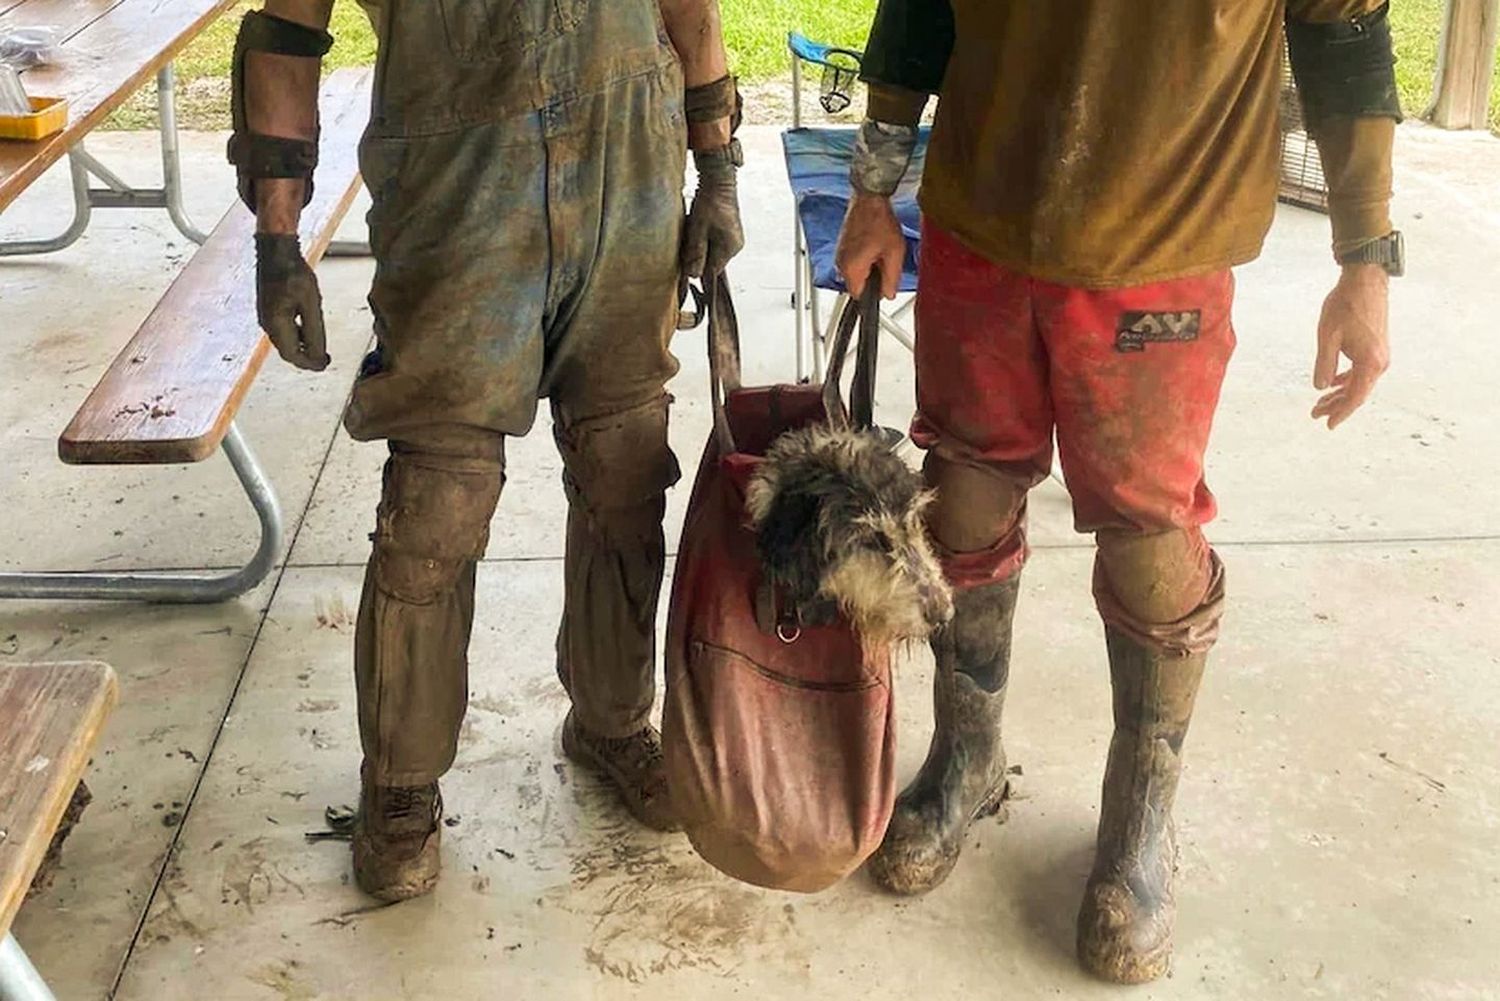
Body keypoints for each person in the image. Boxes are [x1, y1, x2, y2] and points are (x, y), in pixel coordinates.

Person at [836, 0, 1400, 983]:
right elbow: (919, 7)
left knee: (1150, 539)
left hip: (1163, 254)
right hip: (982, 225)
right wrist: (873, 189)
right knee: (960, 501)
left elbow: (1346, 34)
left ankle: (1139, 820)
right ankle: (968, 758)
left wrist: (1367, 259)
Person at [231, 0, 744, 902]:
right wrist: (278, 241)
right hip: (456, 213)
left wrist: (718, 173)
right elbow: (284, 33)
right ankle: (400, 781)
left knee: (625, 476)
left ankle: (613, 722)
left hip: (627, 192)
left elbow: (688, 8)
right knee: (436, 509)